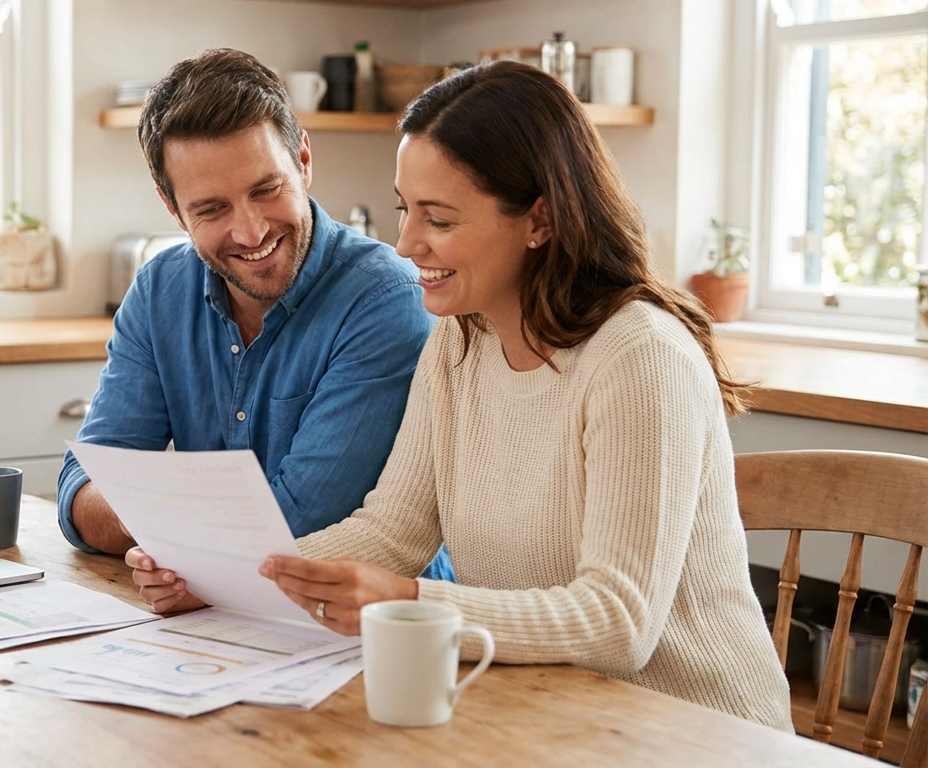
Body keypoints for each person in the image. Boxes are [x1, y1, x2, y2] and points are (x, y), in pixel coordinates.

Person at [128, 61, 794, 731]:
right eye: (405, 209)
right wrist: (221, 579)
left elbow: (619, 623)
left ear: (539, 219)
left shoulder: (639, 356)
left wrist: (413, 600)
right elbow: (393, 530)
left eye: (438, 219)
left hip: (695, 733)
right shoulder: (460, 343)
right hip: (547, 717)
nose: (406, 243)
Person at [57, 48, 451, 579]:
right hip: (219, 612)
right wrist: (190, 543)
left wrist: (167, 528)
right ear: (173, 209)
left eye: (266, 190)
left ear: (304, 162)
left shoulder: (384, 299)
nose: (250, 232)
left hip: (369, 629)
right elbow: (81, 490)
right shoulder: (158, 292)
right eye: (211, 209)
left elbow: (304, 523)